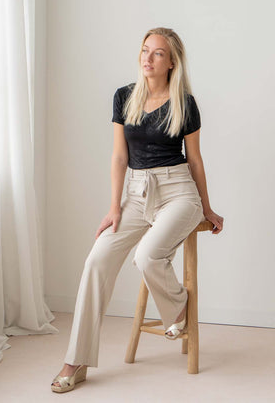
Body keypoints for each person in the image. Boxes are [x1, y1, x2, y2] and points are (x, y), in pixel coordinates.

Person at [51, 27, 224, 393]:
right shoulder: (124, 96)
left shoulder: (185, 103)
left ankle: (178, 308)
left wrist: (207, 208)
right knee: (96, 261)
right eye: (145, 50)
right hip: (135, 192)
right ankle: (76, 360)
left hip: (178, 192)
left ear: (172, 62)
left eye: (158, 53)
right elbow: (119, 156)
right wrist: (114, 207)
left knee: (147, 256)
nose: (148, 58)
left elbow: (194, 160)